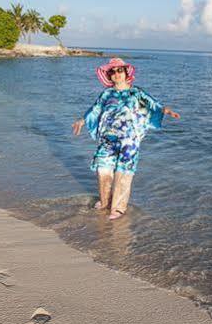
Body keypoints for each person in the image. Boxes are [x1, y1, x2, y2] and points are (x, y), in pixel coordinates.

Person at [72, 57, 180, 220]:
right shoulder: (106, 94)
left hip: (129, 141)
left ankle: (118, 207)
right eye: (112, 71)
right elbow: (94, 110)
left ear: (126, 73)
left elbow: (153, 105)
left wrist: (166, 110)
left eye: (119, 70)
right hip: (107, 140)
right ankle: (105, 202)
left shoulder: (136, 92)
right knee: (103, 169)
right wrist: (82, 120)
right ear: (109, 75)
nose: (116, 74)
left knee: (124, 171)